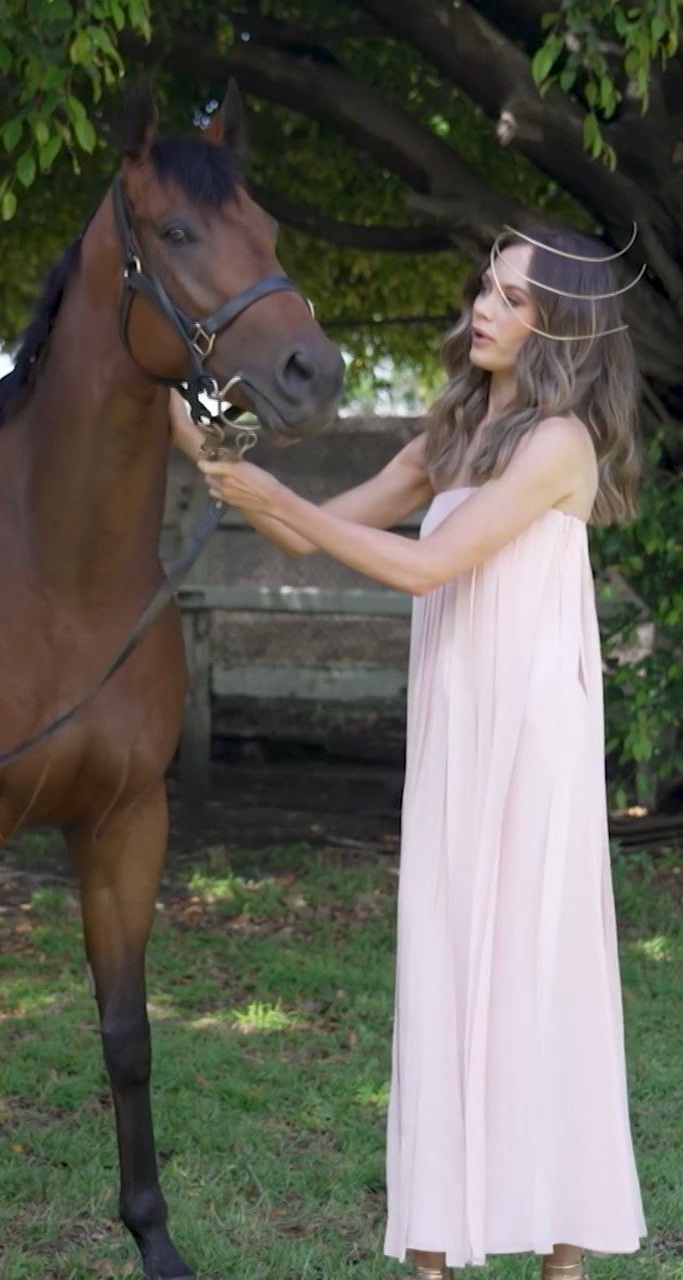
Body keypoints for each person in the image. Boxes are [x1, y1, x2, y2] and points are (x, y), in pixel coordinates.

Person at [170, 225, 648, 1278]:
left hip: (530, 736)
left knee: (540, 964)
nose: (484, 306)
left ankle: (563, 1254)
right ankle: (432, 1253)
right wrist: (210, 442)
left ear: (561, 325)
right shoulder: (454, 433)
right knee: (442, 959)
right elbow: (310, 532)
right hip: (455, 725)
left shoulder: (560, 443)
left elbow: (428, 567)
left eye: (514, 298)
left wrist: (278, 498)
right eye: (485, 286)